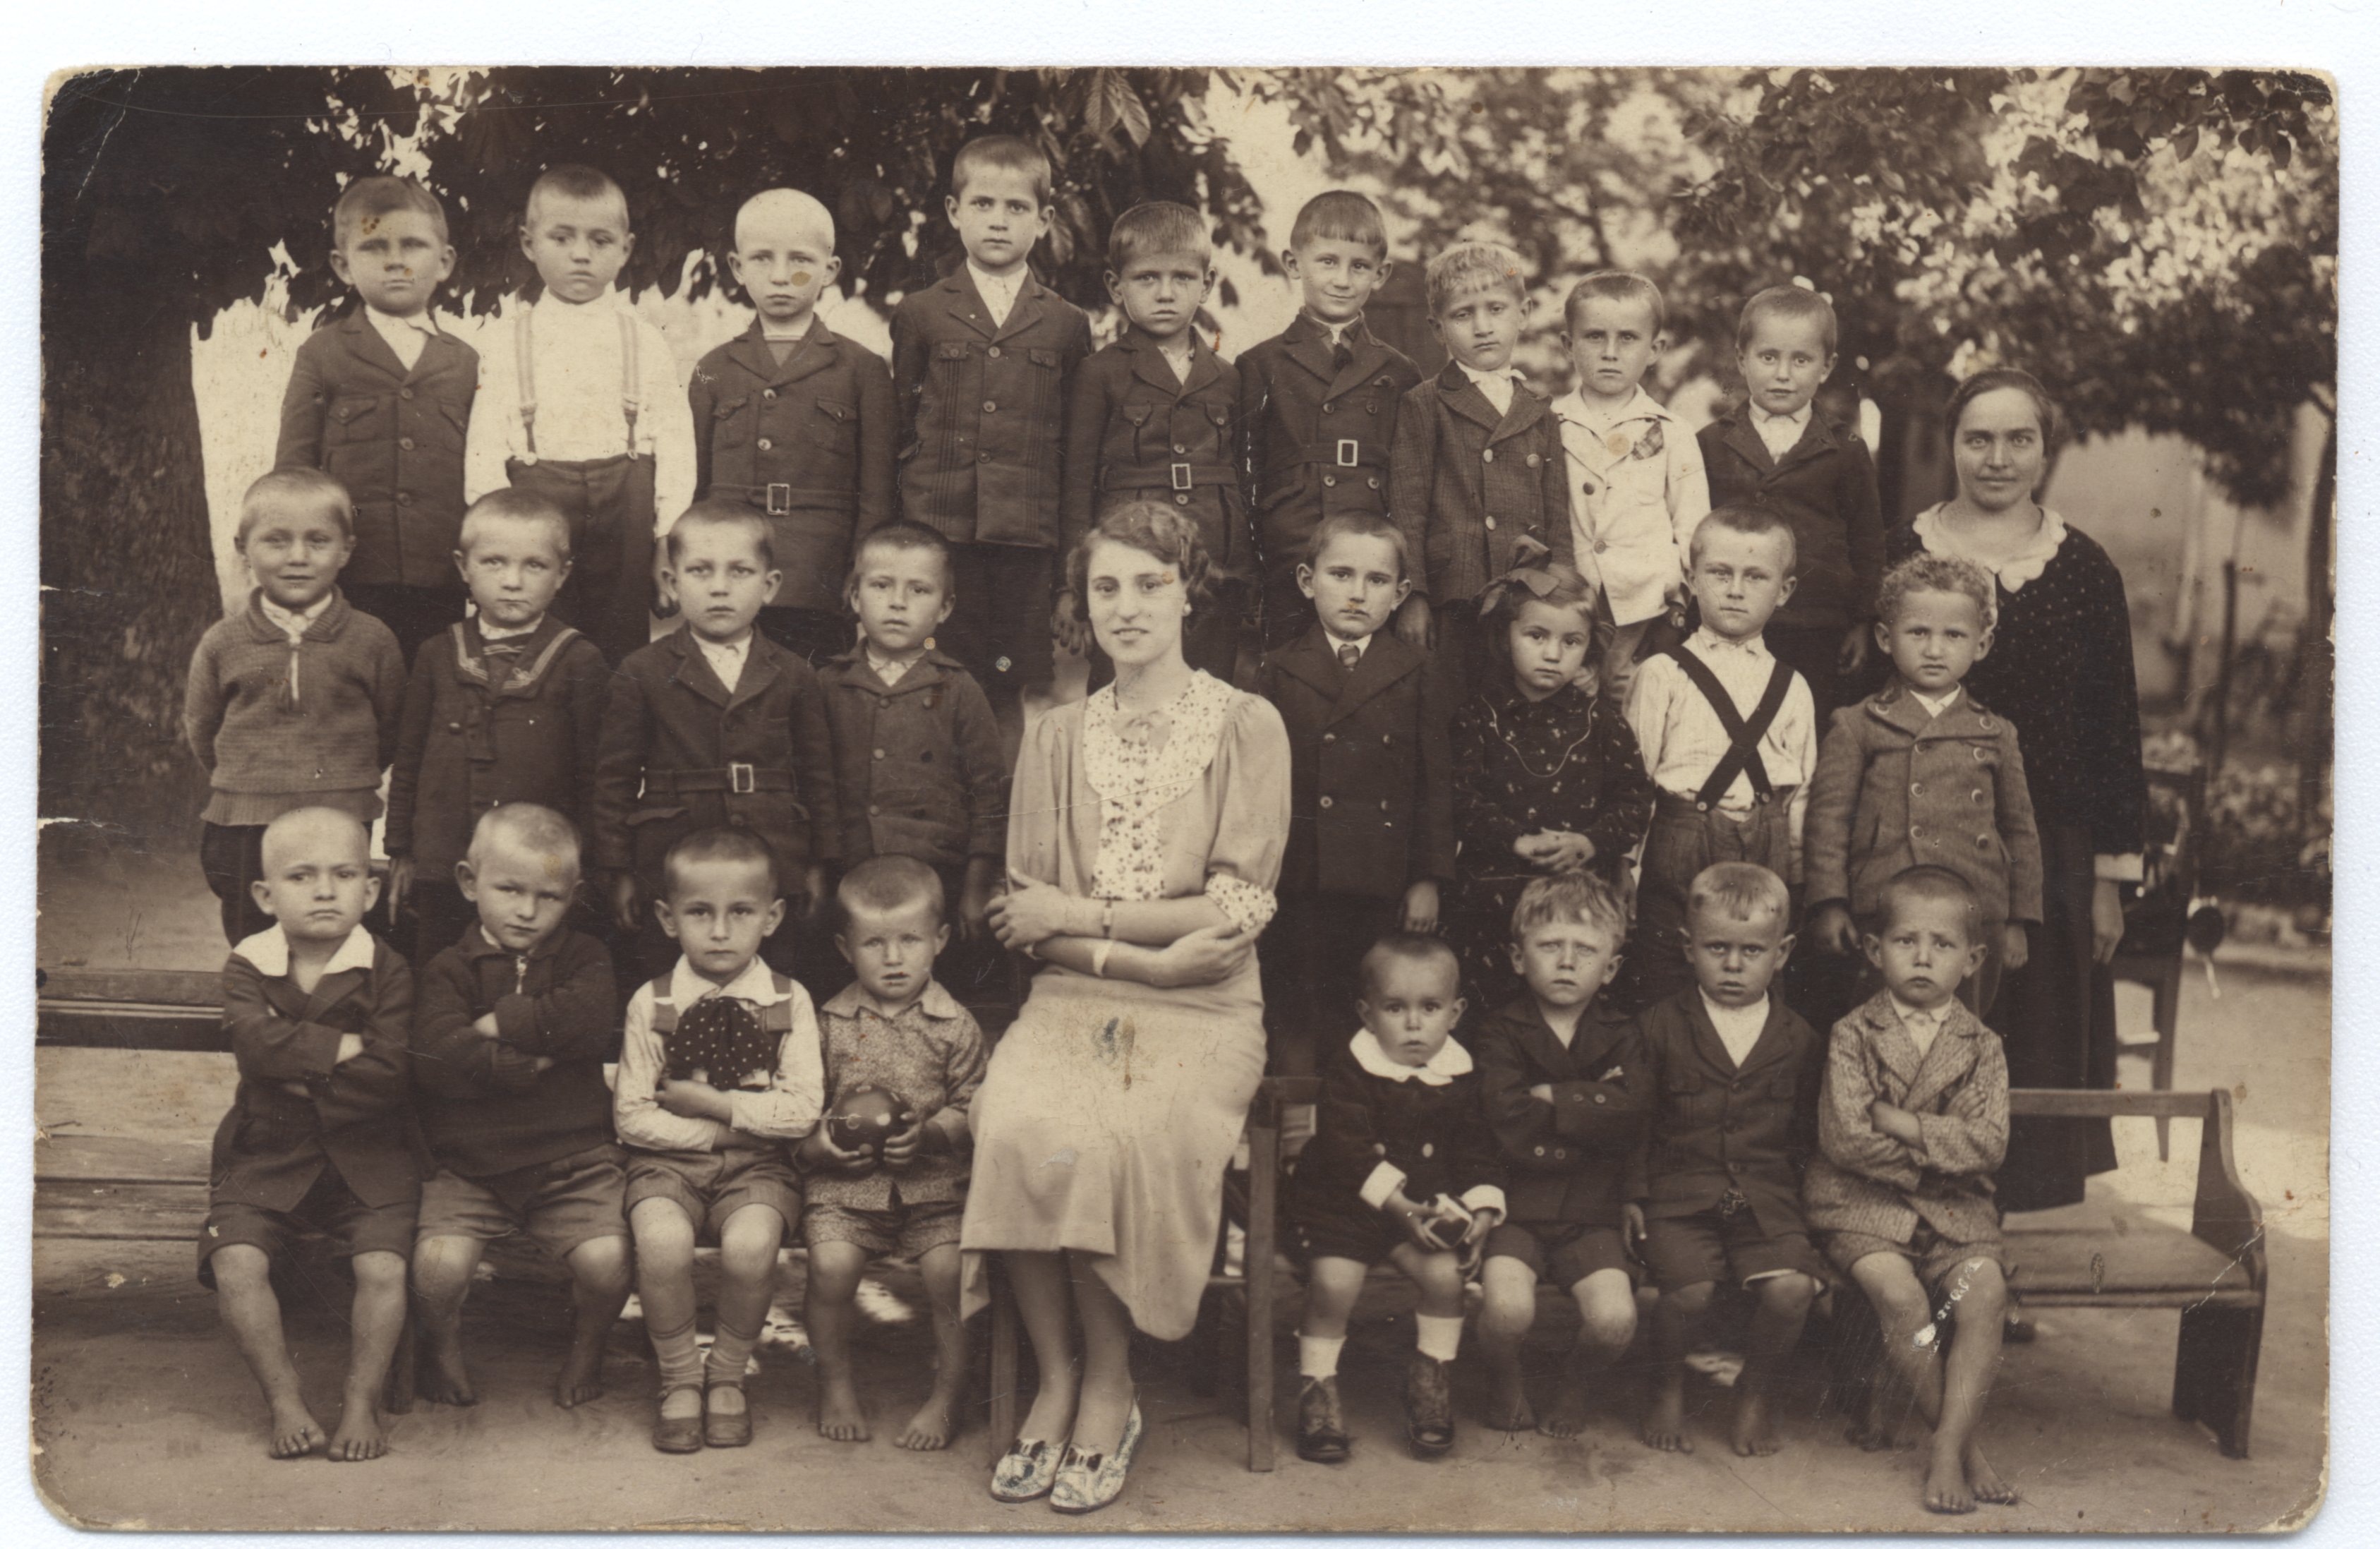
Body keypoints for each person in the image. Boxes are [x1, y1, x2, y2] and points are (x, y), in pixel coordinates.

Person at [962, 503, 1290, 1515]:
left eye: (1151, 583)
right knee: (1017, 1123)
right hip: (1076, 994)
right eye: (1105, 586)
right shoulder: (1055, 734)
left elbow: (1234, 909)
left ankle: (1111, 1386)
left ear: (1191, 593)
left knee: (1117, 1134)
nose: (1127, 606)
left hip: (1205, 1008)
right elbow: (1025, 915)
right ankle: (1056, 1375)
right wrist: (1131, 951)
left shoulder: (1246, 723)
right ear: (1084, 604)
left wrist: (1089, 917)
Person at [1884, 367, 2146, 1215]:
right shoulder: (1904, 552)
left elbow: (2113, 726)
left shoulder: (2083, 569)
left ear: (2044, 449)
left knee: (2031, 1036)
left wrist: (2106, 880)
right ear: (1952, 445)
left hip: (2050, 850)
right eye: (1978, 439)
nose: (1997, 458)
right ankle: (1906, 1217)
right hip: (1920, 835)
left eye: (2017, 439)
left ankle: (2003, 1234)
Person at [198, 807, 418, 1462]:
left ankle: (360, 1398)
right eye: (301, 876)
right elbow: (253, 1049)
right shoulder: (249, 963)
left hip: (369, 1154)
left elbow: (390, 1075)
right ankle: (284, 1398)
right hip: (268, 1149)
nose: (325, 890)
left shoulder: (387, 967)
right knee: (236, 1259)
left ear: (370, 890)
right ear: (266, 894)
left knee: (383, 1265)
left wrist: (295, 1064)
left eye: (344, 874)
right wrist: (341, 1048)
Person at [1806, 865, 2016, 1515]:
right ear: (1875, 951)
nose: (1922, 957)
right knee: (1900, 1296)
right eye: (1905, 941)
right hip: (1859, 1205)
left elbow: (1990, 1144)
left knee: (1986, 1291)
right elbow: (1845, 1139)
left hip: (1956, 1211)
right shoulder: (1852, 1032)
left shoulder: (1982, 1046)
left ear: (1972, 959)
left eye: (1942, 944)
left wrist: (1902, 1123)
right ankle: (1961, 1450)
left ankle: (1947, 1443)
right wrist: (1941, 1147)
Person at [407, 804, 630, 1411]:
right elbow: (436, 1054)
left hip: (573, 1162)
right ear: (468, 881)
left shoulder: (585, 956)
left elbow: (587, 1021)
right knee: (436, 1270)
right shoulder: (448, 968)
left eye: (548, 896)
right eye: (509, 889)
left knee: (608, 1263)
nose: (527, 911)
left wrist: (496, 1024)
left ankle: (588, 1343)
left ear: (573, 896)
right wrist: (526, 1064)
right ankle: (443, 1344)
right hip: (470, 1168)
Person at [615, 826, 827, 1453]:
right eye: (699, 912)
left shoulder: (789, 999)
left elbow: (803, 1111)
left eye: (741, 912)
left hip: (759, 1171)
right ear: (667, 917)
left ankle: (728, 1374)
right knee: (661, 1242)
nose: (719, 931)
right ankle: (681, 1377)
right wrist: (726, 1133)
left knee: (752, 1245)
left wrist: (714, 1104)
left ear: (772, 917)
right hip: (666, 1166)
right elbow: (632, 1118)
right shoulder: (651, 1001)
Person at [889, 134, 1093, 716]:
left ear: (1044, 220)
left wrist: (1067, 576)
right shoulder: (921, 313)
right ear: (954, 212)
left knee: (1006, 692)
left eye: (1016, 207)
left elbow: (1074, 458)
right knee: (927, 685)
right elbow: (898, 434)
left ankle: (1002, 782)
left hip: (1024, 547)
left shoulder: (1066, 324)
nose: (998, 221)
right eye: (982, 204)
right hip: (937, 538)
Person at [591, 501, 838, 978]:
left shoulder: (795, 673)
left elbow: (818, 776)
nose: (719, 587)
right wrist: (617, 869)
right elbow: (613, 780)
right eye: (700, 570)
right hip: (672, 858)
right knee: (669, 977)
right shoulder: (642, 671)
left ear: (770, 585)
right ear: (671, 581)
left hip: (772, 857)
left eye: (739, 571)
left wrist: (817, 863)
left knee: (772, 976)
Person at [464, 164, 696, 665]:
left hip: (626, 508)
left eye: (600, 240)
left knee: (620, 648)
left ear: (626, 249)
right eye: (561, 237)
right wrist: (495, 537)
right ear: (528, 244)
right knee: (536, 645)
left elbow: (677, 448)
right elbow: (483, 451)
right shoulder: (506, 341)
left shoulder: (645, 340)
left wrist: (666, 539)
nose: (581, 254)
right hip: (534, 508)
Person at [1287, 933, 1503, 1464]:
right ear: (1367, 1013)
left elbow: (1477, 1147)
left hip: (1420, 1211)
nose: (1413, 1024)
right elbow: (1346, 1149)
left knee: (1446, 1278)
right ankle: (1318, 1385)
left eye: (1429, 1008)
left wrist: (1480, 1206)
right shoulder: (1352, 1069)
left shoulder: (1461, 1074)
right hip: (1342, 1207)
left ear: (1455, 1013)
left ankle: (1430, 1376)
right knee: (1334, 1284)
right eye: (1394, 1008)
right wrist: (1399, 1204)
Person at [1633, 862, 1826, 1459]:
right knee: (1687, 1291)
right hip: (1679, 1197)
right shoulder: (1658, 1026)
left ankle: (1755, 1389)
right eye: (1717, 948)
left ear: (1782, 952)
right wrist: (1632, 1196)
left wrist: (1807, 1209)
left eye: (1752, 950)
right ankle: (1666, 1384)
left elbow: (1805, 1136)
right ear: (1687, 948)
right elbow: (1635, 1125)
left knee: (1793, 1288)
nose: (1733, 965)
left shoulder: (1798, 1038)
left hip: (1764, 1199)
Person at [1254, 513, 1454, 1078]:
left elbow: (1435, 784)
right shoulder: (1276, 669)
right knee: (1295, 1015)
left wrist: (1427, 879)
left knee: (1369, 1012)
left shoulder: (1418, 671)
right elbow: (1257, 787)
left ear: (1401, 593)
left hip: (1381, 883)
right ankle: (1296, 1125)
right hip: (1298, 880)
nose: (1357, 593)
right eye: (1340, 574)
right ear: (1306, 580)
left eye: (1376, 580)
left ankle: (1360, 1121)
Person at [799, 856, 988, 1452]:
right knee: (830, 1266)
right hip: (845, 1187)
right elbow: (801, 1104)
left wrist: (931, 1134)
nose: (893, 957)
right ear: (844, 947)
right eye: (873, 943)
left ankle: (948, 1393)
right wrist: (819, 1147)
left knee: (950, 1272)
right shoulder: (826, 1024)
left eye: (910, 939)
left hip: (935, 1185)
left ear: (940, 940)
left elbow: (974, 1103)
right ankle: (835, 1383)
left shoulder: (956, 1026)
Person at [1804, 553, 2043, 1018]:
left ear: (1981, 644)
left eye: (1953, 635)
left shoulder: (1997, 733)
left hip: (1975, 913)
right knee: (1878, 1026)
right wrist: (1830, 902)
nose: (1934, 649)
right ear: (1884, 638)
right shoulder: (1857, 725)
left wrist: (2018, 918)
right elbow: (1828, 820)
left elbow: (2020, 830)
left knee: (1962, 1030)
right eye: (1917, 633)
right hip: (1884, 909)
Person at [183, 469, 406, 945]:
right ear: (243, 548)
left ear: (346, 549)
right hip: (247, 815)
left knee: (333, 924)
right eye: (276, 540)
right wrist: (246, 779)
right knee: (252, 928)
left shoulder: (372, 640)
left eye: (318, 541)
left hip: (341, 811)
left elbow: (390, 726)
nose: (298, 557)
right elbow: (203, 726)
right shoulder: (223, 642)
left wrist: (349, 778)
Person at [385, 490, 610, 960]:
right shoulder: (436, 654)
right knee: (442, 968)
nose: (512, 581)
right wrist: (401, 849)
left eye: (535, 566)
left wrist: (591, 862)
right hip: (445, 861)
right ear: (463, 566)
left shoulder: (580, 660)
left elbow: (596, 775)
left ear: (562, 574)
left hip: (537, 875)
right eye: (493, 562)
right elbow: (409, 760)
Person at [1471, 874, 1650, 1442]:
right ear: (1517, 957)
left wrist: (1550, 1095)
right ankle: (1505, 1375)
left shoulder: (1623, 1033)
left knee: (1614, 1320)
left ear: (1611, 967)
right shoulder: (1499, 1031)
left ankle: (1576, 1382)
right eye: (1550, 945)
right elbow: (1504, 1114)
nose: (1567, 961)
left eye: (1585, 949)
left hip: (1590, 1210)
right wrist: (1593, 1105)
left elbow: (1633, 1113)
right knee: (1506, 1311)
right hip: (1517, 1207)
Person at [273, 175, 478, 665]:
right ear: (343, 265)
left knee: (432, 692)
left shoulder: (466, 362)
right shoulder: (322, 353)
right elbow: (294, 471)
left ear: (444, 261)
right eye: (374, 246)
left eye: (413, 244)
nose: (395, 260)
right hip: (349, 577)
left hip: (440, 577)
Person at [689, 188, 895, 667]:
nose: (780, 275)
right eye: (762, 258)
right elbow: (693, 483)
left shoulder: (861, 369)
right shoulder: (713, 368)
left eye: (800, 260)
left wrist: (864, 567)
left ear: (830, 270)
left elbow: (877, 490)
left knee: (816, 690)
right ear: (737, 267)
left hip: (819, 573)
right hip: (730, 571)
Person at [1624, 504, 1818, 1006]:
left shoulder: (1793, 686)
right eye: (1719, 573)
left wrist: (1797, 881)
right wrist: (1626, 868)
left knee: (1755, 985)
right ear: (1691, 580)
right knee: (1664, 981)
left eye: (1755, 576)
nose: (1735, 589)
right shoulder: (1661, 674)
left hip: (1766, 847)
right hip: (1679, 842)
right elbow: (1634, 782)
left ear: (1784, 590)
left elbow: (1801, 795)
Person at [814, 522, 1008, 1006]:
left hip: (938, 882)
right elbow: (811, 788)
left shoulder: (959, 689)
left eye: (918, 590)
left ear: (944, 607)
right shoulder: (825, 685)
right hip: (849, 879)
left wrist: (976, 887)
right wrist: (816, 872)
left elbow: (989, 794)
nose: (897, 603)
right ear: (854, 596)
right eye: (881, 585)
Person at [1062, 200, 1255, 682]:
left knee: (1209, 690)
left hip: (1214, 564)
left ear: (1206, 284)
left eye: (1182, 278)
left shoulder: (1228, 377)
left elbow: (1242, 479)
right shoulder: (1099, 373)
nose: (1165, 294)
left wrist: (1248, 571)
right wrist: (1072, 588)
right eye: (1147, 278)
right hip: (1128, 561)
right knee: (1122, 685)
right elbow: (1076, 484)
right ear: (1116, 286)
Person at [1449, 561, 1654, 1009]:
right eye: (1536, 636)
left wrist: (1590, 842)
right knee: (1491, 1013)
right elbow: (1460, 799)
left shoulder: (1603, 723)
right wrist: (1515, 839)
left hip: (1577, 903)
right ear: (1506, 636)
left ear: (1589, 647)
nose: (1553, 654)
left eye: (1571, 641)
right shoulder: (1477, 718)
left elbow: (1635, 800)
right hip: (1493, 899)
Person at [1236, 190, 1422, 652]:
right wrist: (1249, 569)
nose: (1342, 280)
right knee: (1290, 669)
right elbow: (1246, 478)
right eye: (1327, 262)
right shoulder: (1262, 364)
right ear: (1293, 263)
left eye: (1359, 266)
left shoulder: (1400, 371)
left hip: (1371, 554)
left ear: (1380, 275)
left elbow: (1413, 486)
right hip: (1291, 547)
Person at [1387, 240, 1571, 692]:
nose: (1483, 327)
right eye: (1463, 315)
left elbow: (1558, 519)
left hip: (1527, 596)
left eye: (1496, 309)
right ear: (1438, 329)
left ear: (1523, 314)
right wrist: (1414, 597)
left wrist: (1565, 596)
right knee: (1452, 705)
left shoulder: (1540, 410)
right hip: (1456, 594)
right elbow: (1408, 510)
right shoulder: (1425, 403)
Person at [1695, 284, 1884, 722]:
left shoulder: (1845, 448)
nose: (1783, 374)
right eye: (1768, 357)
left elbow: (1868, 539)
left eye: (1801, 360)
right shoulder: (1711, 442)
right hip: (1729, 619)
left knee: (1803, 724)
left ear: (1826, 366)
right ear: (1742, 359)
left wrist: (1862, 620)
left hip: (1816, 624)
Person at [1549, 270, 1708, 707]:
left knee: (1631, 700)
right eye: (1594, 337)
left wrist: (1680, 601)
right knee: (1567, 699)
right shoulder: (1549, 424)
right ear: (1568, 345)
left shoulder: (1673, 431)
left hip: (1644, 608)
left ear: (1655, 349)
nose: (1610, 353)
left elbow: (1693, 527)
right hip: (1569, 600)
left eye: (1628, 338)